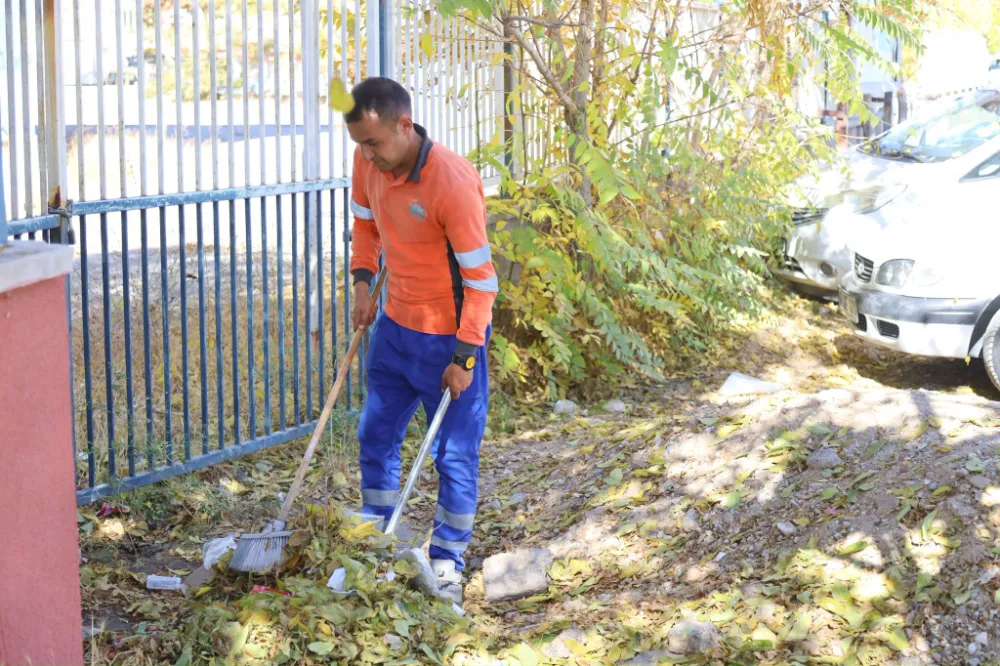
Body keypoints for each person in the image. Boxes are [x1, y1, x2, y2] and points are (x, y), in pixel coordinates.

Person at [343, 77, 497, 592]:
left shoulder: (451, 182)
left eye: (374, 144)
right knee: (376, 432)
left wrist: (465, 356)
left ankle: (448, 559)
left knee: (453, 453)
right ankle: (377, 528)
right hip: (394, 326)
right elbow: (365, 228)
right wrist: (364, 282)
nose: (366, 156)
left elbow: (481, 283)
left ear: (404, 125)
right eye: (360, 145)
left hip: (449, 338)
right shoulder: (368, 162)